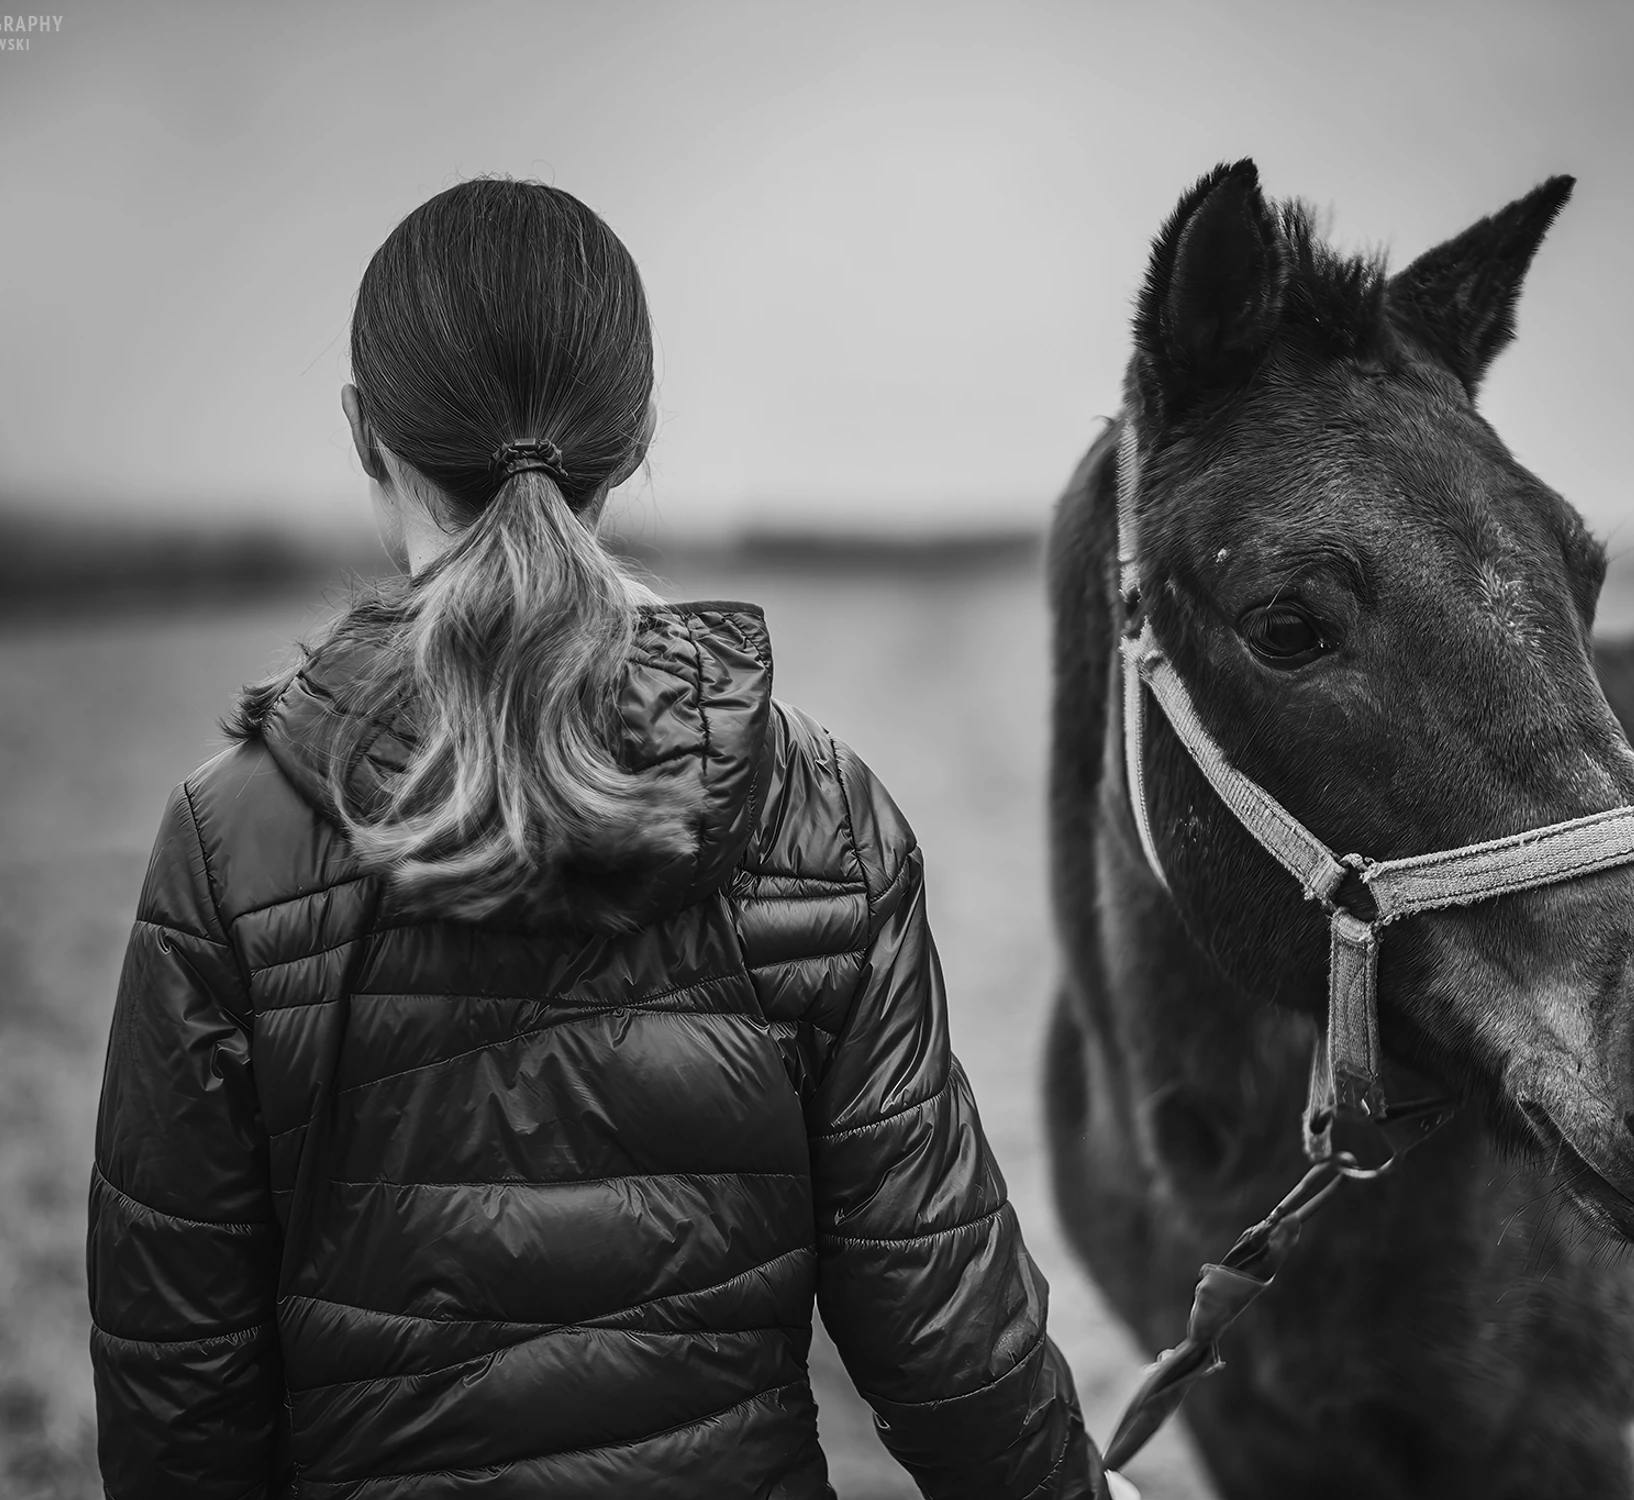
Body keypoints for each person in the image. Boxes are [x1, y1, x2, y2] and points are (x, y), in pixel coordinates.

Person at [86, 177, 1111, 1499]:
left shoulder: (228, 839)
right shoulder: (822, 812)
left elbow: (177, 1380)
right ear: (632, 442)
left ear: (362, 432)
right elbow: (944, 1324)